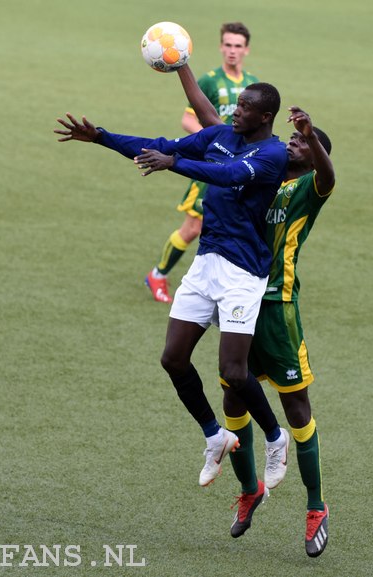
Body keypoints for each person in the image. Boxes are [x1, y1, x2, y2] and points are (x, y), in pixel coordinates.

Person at [55, 73, 290, 491]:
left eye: (245, 108)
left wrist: (177, 165)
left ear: (265, 116)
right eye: (236, 106)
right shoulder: (219, 135)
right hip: (205, 265)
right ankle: (215, 436)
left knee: (234, 372)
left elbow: (230, 174)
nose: (236, 111)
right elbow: (159, 147)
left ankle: (276, 438)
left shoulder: (272, 154)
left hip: (242, 274)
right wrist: (101, 137)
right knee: (173, 359)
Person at [179, 68, 335, 557]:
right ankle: (249, 491)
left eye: (302, 143)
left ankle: (316, 506)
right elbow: (216, 122)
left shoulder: (310, 187)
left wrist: (316, 141)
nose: (293, 144)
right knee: (233, 399)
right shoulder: (261, 165)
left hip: (277, 311)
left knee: (296, 409)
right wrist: (183, 67)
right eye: (291, 137)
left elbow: (330, 175)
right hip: (236, 299)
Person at [145, 22, 259, 304]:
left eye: (238, 46)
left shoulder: (252, 85)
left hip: (236, 170)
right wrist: (217, 142)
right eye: (228, 45)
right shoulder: (209, 81)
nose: (232, 51)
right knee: (193, 228)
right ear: (222, 47)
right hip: (212, 165)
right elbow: (187, 119)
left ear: (246, 50)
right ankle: (158, 274)